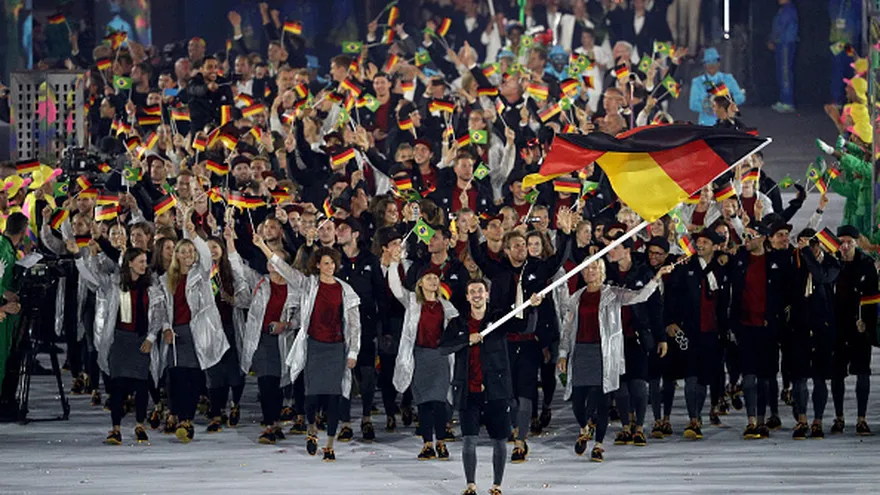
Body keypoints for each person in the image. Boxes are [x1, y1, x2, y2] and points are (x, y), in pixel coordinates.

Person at [558, 259, 671, 462]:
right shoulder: (577, 298)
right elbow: (567, 329)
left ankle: (599, 445)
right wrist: (563, 354)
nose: (590, 272)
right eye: (587, 269)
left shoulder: (612, 293)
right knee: (577, 401)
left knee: (602, 401)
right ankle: (584, 428)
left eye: (594, 268)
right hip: (581, 353)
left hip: (604, 353)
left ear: (601, 271)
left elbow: (640, 296)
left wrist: (656, 278)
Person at [75, 246, 163, 445]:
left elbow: (158, 313)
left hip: (141, 341)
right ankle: (115, 428)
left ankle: (140, 425)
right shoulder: (115, 284)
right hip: (120, 340)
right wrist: (81, 258)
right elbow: (92, 278)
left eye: (145, 261)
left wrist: (150, 337)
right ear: (130, 263)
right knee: (117, 386)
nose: (144, 265)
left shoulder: (152, 286)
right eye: (140, 261)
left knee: (141, 385)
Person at [283, 246, 362, 462]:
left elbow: (354, 325)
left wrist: (353, 351)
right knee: (312, 394)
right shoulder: (309, 285)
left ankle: (329, 445)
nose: (330, 267)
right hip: (314, 346)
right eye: (326, 263)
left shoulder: (346, 290)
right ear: (317, 265)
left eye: (333, 263)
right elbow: (285, 271)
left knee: (334, 397)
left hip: (336, 348)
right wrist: (262, 247)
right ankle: (311, 429)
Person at [158, 216, 230, 443]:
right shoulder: (165, 279)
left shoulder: (202, 274)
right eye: (184, 251)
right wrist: (166, 328)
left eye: (192, 251)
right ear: (176, 255)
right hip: (175, 333)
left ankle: (186, 421)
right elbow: (162, 308)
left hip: (197, 332)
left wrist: (192, 233)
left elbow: (207, 255)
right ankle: (176, 415)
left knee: (191, 376)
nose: (189, 254)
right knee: (175, 376)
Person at [441, 279, 514, 495]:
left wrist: (533, 304)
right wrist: (466, 340)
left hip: (496, 389)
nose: (476, 295)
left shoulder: (499, 319)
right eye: (472, 291)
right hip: (467, 390)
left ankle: (496, 485)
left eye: (480, 291)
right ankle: (471, 485)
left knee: (499, 439)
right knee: (469, 440)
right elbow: (443, 346)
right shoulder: (457, 323)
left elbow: (522, 324)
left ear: (487, 294)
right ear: (466, 297)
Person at [388, 261, 459, 461]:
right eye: (429, 278)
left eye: (436, 278)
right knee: (425, 403)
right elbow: (394, 286)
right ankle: (428, 444)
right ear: (420, 283)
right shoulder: (412, 301)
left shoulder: (446, 306)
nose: (433, 281)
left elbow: (456, 330)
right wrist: (394, 263)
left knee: (440, 402)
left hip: (440, 357)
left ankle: (441, 442)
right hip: (419, 356)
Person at [831, 225, 878, 436]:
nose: (845, 245)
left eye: (850, 241)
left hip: (859, 327)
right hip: (837, 326)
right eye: (842, 241)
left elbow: (873, 296)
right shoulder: (832, 263)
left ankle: (861, 418)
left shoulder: (866, 264)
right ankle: (839, 416)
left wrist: (867, 322)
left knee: (862, 372)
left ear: (857, 242)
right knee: (837, 374)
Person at [688, 48, 745, 126]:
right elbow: (693, 104)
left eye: (714, 61)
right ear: (704, 65)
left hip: (727, 123)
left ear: (719, 63)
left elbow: (740, 97)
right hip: (706, 125)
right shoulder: (698, 82)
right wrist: (710, 108)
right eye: (708, 62)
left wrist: (726, 104)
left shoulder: (728, 79)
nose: (712, 65)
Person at [768, 0, 798, 113]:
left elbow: (781, 26)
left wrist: (773, 38)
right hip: (781, 43)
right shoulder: (783, 9)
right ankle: (783, 99)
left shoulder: (788, 9)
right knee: (781, 72)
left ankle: (788, 101)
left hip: (786, 43)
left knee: (785, 72)